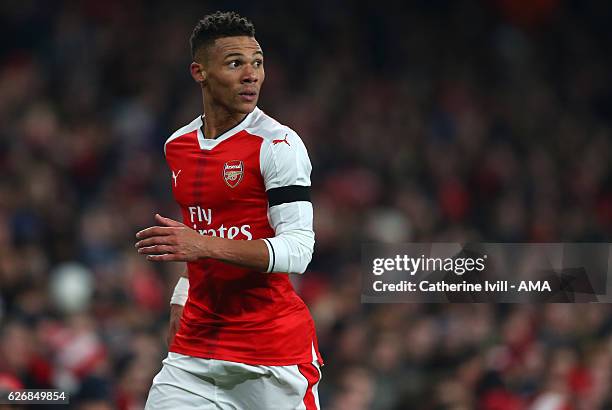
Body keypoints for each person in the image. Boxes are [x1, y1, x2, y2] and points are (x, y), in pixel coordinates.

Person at [135, 11, 323, 410]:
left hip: (272, 356)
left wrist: (204, 245)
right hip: (195, 354)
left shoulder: (279, 145)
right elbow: (199, 232)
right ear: (199, 72)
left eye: (257, 63)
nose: (251, 74)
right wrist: (182, 297)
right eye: (235, 63)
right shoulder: (177, 146)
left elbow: (298, 250)